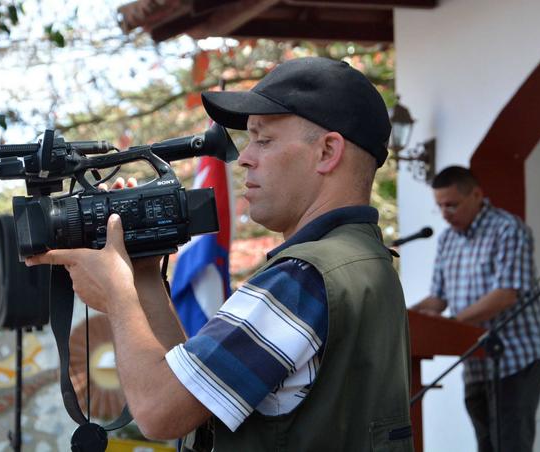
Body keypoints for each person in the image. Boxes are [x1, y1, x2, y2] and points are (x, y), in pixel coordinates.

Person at [27, 57, 412, 451]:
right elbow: (196, 396)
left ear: (328, 151)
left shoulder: (301, 277)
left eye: (263, 139)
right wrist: (142, 276)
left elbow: (160, 410)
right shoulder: (362, 262)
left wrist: (117, 296)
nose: (244, 157)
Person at [412, 166, 540, 452]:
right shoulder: (447, 239)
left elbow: (506, 295)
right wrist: (405, 315)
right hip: (475, 362)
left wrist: (454, 324)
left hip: (515, 358)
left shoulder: (508, 229)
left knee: (511, 445)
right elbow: (438, 298)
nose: (445, 213)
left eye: (452, 205)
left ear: (477, 195)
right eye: (440, 207)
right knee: (485, 445)